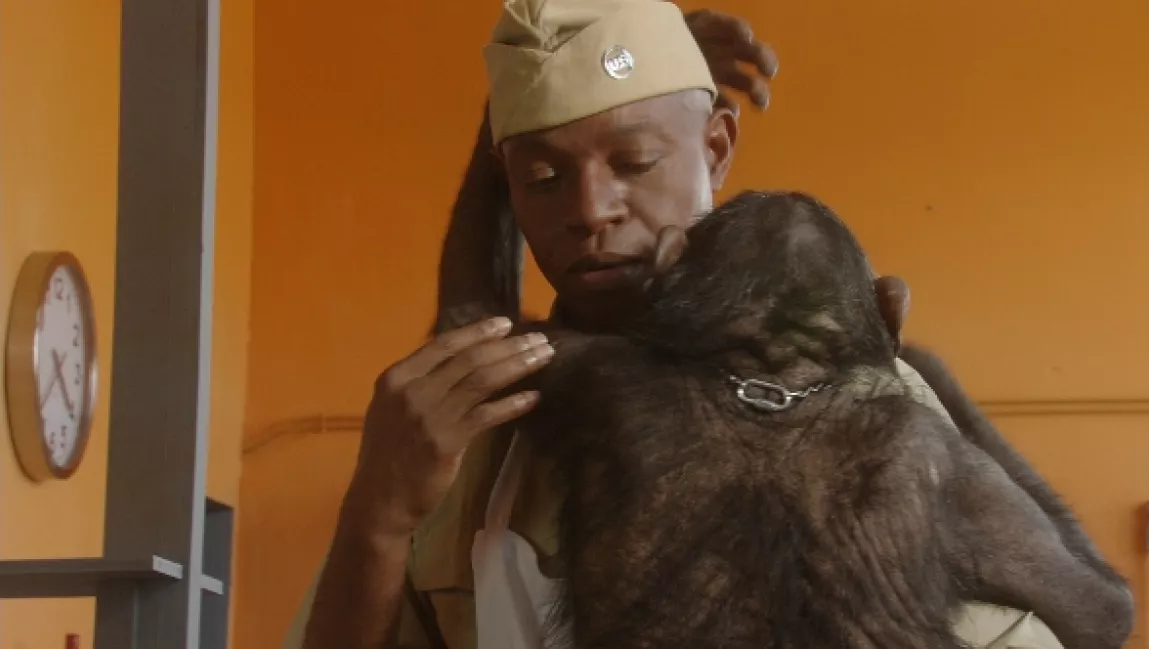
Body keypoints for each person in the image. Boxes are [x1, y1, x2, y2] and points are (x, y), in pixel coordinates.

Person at [285, 2, 1065, 648]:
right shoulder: (467, 429)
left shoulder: (856, 398)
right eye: (543, 177)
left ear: (716, 148)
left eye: (633, 162)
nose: (590, 210)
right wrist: (376, 518)